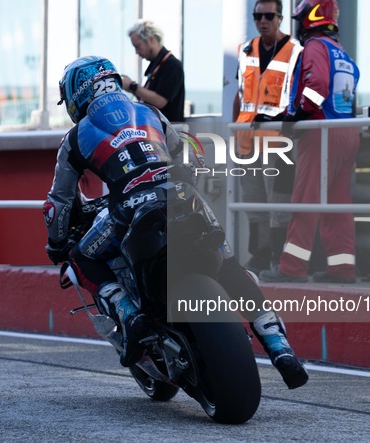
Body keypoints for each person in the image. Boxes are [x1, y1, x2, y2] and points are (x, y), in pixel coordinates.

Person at [43, 55, 308, 389]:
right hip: (183, 196)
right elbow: (187, 152)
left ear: (76, 94)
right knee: (227, 265)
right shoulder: (149, 112)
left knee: (81, 257)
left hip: (128, 206)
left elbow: (59, 202)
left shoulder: (76, 136)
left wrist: (56, 244)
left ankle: (130, 314)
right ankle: (280, 347)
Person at [260, 0, 360, 284]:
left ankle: (292, 268)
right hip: (346, 131)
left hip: (321, 132)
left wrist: (298, 114)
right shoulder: (340, 52)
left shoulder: (315, 47)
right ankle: (343, 268)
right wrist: (283, 115)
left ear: (309, 18)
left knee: (306, 199)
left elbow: (316, 87)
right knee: (338, 204)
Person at [233, 0, 303, 276]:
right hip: (246, 141)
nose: (263, 21)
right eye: (257, 16)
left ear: (280, 17)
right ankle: (259, 257)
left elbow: (300, 96)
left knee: (278, 204)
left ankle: (278, 260)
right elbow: (240, 95)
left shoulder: (295, 51)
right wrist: (234, 129)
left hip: (278, 142)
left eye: (268, 16)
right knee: (253, 204)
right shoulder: (245, 50)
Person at [121, 20, 185, 122]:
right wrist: (131, 88)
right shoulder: (157, 65)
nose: (136, 52)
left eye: (138, 46)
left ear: (151, 39)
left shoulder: (172, 65)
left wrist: (132, 86)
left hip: (167, 132)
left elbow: (160, 101)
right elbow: (149, 100)